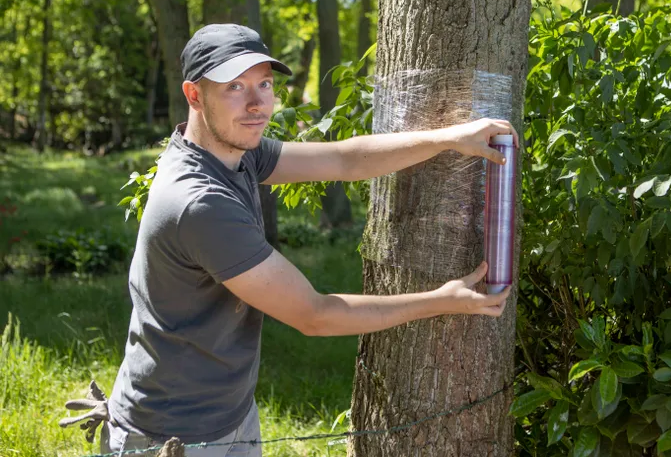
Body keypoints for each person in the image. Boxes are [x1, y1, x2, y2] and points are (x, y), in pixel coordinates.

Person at [73, 24, 516, 456]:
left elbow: (344, 160)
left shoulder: (237, 153)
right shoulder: (199, 203)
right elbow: (315, 315)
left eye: (263, 85)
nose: (256, 104)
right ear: (194, 95)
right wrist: (442, 300)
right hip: (171, 437)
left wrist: (448, 139)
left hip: (229, 416)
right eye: (234, 87)